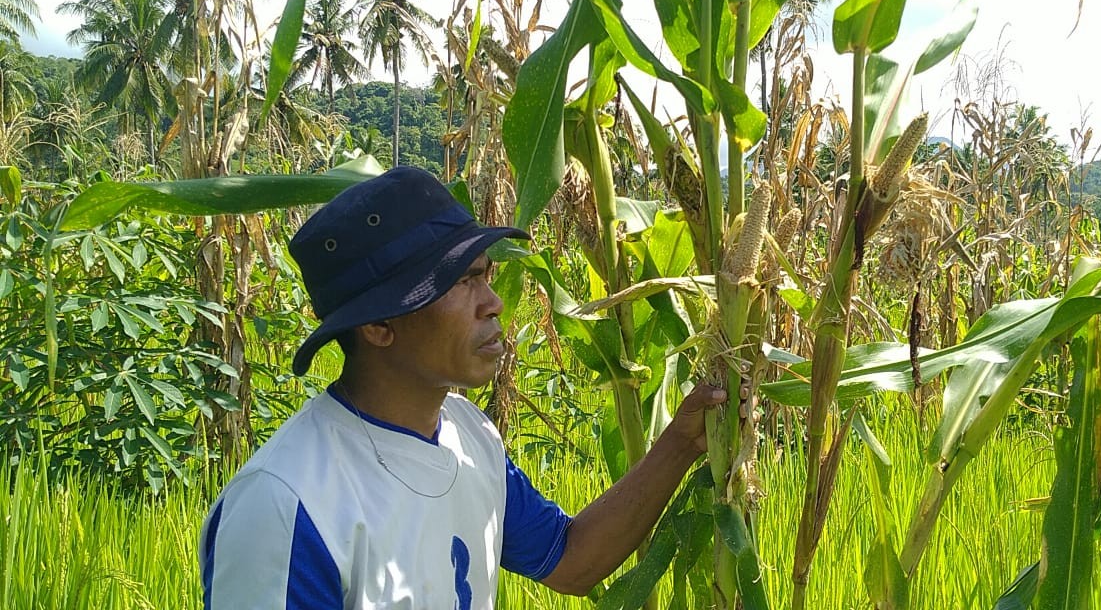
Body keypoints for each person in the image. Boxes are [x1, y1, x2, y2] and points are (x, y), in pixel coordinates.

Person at [198, 166, 728, 609]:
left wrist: (682, 441)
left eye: (485, 276)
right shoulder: (287, 502)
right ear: (378, 324)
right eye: (461, 280)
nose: (493, 303)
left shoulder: (469, 436)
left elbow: (570, 559)